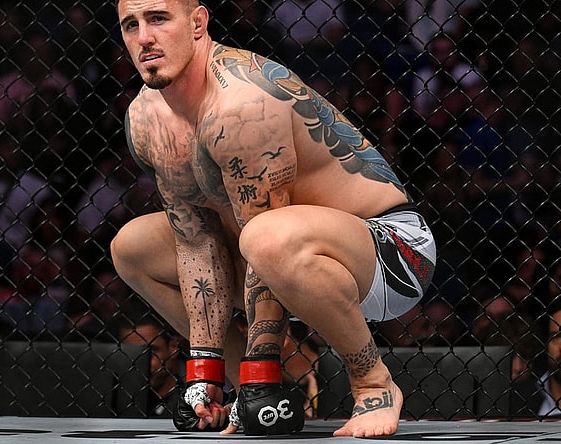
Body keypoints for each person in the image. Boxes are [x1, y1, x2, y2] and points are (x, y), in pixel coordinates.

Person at [111, 0, 436, 437]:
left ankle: (373, 383)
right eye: (130, 25)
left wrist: (261, 367)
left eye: (158, 19)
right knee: (132, 247)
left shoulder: (243, 102)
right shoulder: (146, 117)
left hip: (389, 254)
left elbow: (264, 239)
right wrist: (206, 372)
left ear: (198, 23)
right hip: (279, 257)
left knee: (264, 237)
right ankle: (237, 386)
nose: (144, 38)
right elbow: (196, 242)